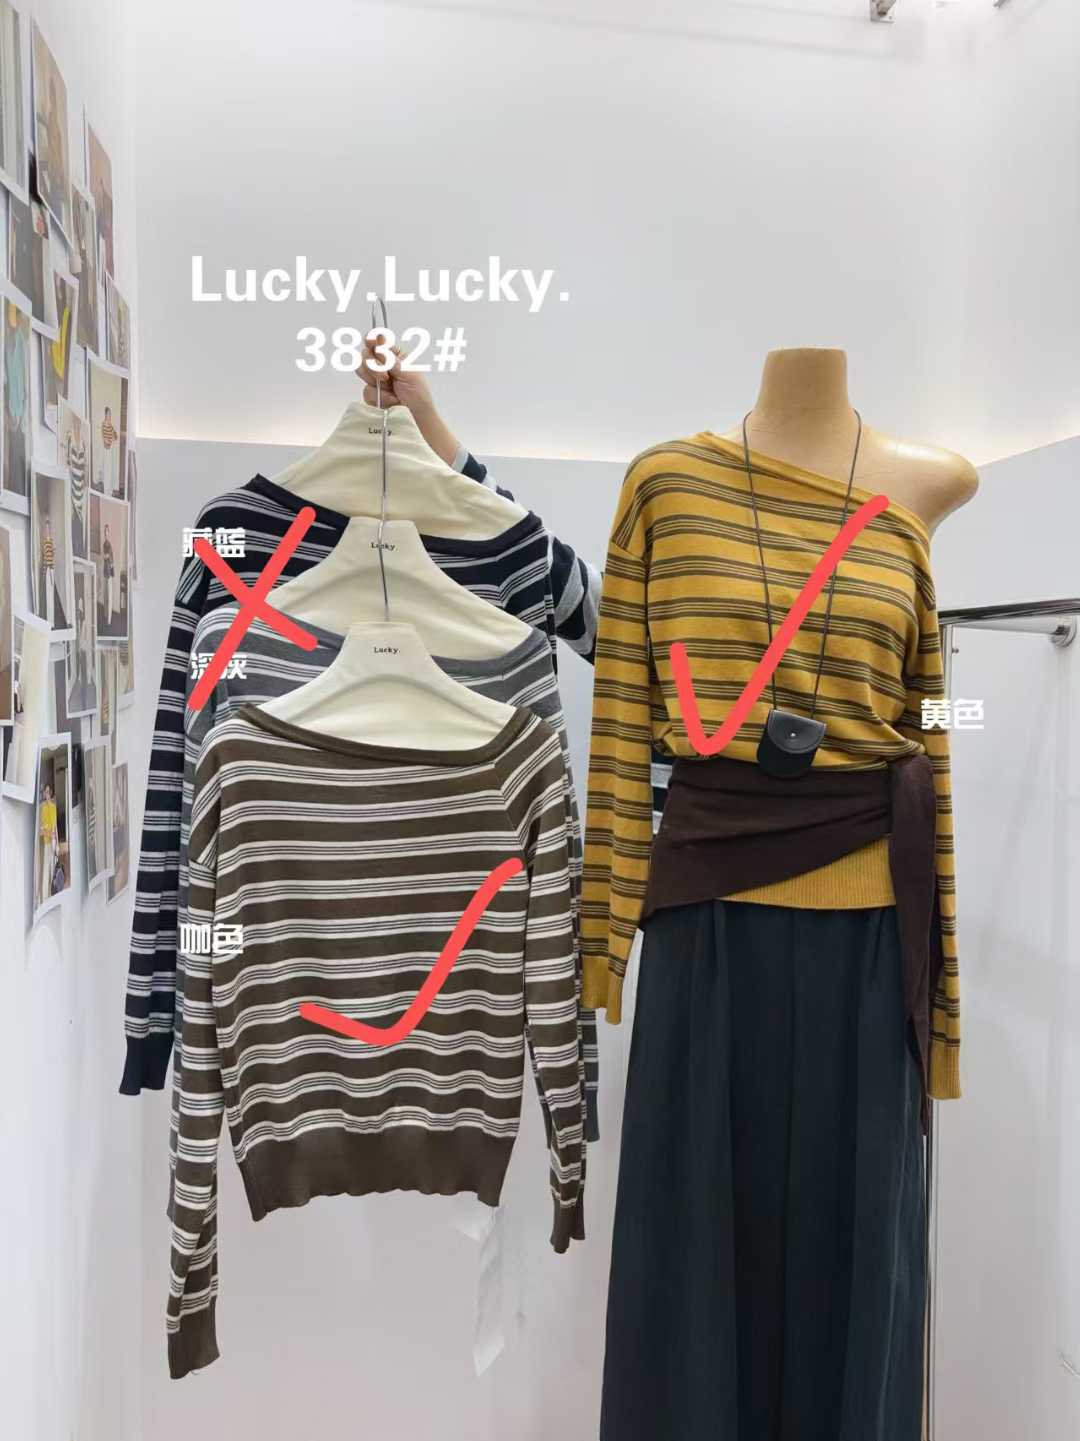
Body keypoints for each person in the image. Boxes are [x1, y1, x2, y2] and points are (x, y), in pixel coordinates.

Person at [39, 780, 58, 906]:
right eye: (45, 792)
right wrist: (48, 834)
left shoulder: (53, 807)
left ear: (50, 793)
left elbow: (55, 826)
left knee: (53, 868)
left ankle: (53, 897)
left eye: (47, 792)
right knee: (46, 870)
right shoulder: (43, 808)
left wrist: (57, 842)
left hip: (54, 842)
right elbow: (41, 829)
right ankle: (44, 900)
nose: (46, 794)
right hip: (47, 842)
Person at [101, 405, 118, 493]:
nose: (109, 416)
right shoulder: (103, 424)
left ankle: (110, 490)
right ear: (105, 414)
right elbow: (104, 437)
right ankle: (106, 489)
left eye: (110, 414)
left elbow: (116, 436)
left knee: (110, 468)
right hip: (106, 449)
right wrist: (107, 440)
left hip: (110, 449)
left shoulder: (111, 425)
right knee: (106, 468)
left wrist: (112, 438)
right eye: (108, 414)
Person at [102, 522, 115, 626]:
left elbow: (108, 557)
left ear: (109, 533)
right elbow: (105, 556)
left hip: (109, 571)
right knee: (105, 594)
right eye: (105, 531)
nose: (106, 533)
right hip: (105, 570)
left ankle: (109, 619)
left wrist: (107, 557)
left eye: (107, 531)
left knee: (109, 594)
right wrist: (106, 557)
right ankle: (105, 615)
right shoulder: (104, 544)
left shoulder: (109, 545)